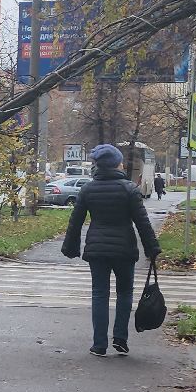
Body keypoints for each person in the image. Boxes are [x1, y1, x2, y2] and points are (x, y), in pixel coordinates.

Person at [62, 144, 161, 357]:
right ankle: (120, 339)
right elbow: (142, 222)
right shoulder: (129, 189)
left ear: (98, 165)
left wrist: (70, 247)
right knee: (124, 293)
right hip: (124, 249)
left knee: (99, 294)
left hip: (97, 249)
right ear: (117, 164)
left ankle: (99, 344)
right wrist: (152, 248)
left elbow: (75, 221)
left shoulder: (88, 189)